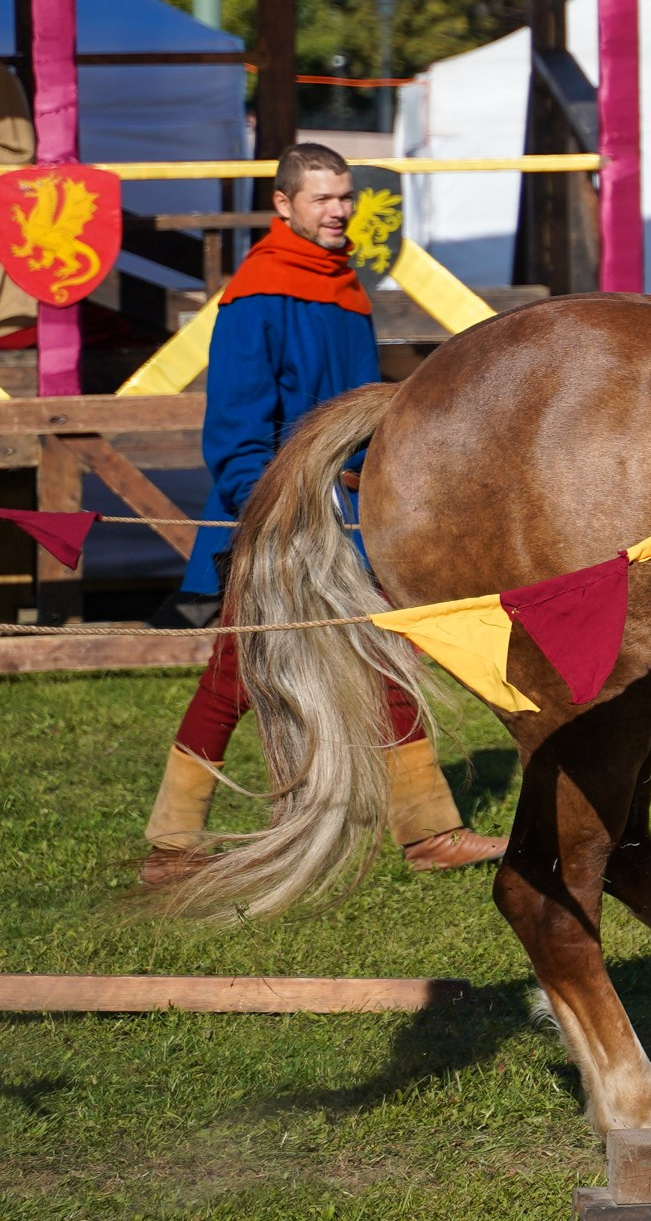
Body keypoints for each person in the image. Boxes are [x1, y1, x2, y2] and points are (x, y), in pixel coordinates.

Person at [139, 144, 505, 881]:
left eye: (343, 196)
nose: (338, 209)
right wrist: (281, 515)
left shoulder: (346, 289)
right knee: (234, 676)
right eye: (322, 198)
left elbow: (361, 417)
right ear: (283, 205)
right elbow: (236, 433)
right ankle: (172, 844)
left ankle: (428, 829)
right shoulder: (256, 295)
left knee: (382, 654)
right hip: (277, 520)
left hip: (347, 514)